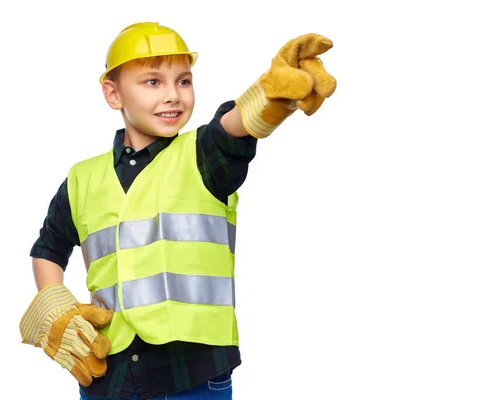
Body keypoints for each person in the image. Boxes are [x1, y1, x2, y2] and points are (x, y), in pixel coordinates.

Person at [19, 22, 336, 400]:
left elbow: (233, 127)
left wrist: (270, 94)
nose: (173, 95)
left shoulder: (203, 155)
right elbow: (48, 250)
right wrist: (58, 308)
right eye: (153, 82)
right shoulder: (81, 179)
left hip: (193, 372)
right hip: (109, 375)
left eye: (183, 81)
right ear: (113, 93)